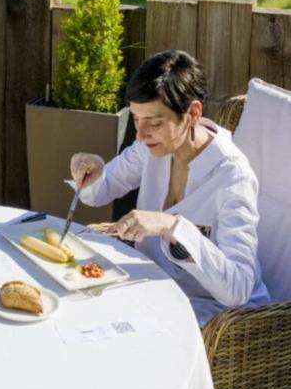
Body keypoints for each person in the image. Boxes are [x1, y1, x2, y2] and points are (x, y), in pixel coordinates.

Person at [70, 49, 270, 325]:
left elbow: (238, 288)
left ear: (193, 114)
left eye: (153, 122)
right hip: (155, 294)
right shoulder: (151, 146)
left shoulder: (232, 177)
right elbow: (101, 189)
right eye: (136, 120)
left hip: (216, 319)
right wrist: (91, 170)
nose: (140, 135)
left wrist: (173, 226)